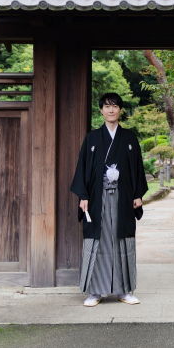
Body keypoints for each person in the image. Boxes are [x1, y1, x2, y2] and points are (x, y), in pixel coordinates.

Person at [70, 92, 148, 307]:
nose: (111, 110)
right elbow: (83, 169)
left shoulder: (129, 138)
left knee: (122, 239)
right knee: (98, 240)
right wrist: (83, 196)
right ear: (101, 110)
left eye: (115, 106)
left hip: (123, 199)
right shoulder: (92, 138)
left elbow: (137, 169)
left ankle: (124, 290)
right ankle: (95, 291)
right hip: (97, 198)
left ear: (120, 110)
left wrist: (137, 194)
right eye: (107, 106)